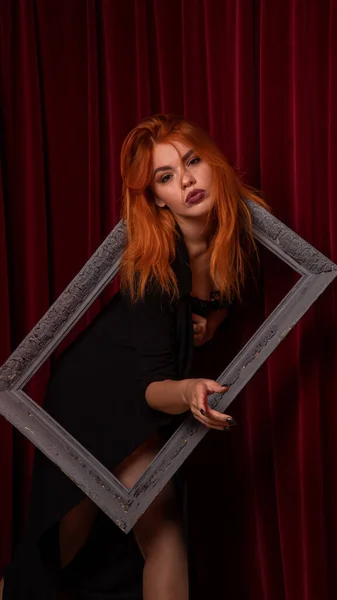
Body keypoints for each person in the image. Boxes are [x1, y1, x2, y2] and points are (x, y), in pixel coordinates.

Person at [1, 113, 267, 599]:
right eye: (166, 177)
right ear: (157, 199)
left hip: (149, 391)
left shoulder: (239, 238)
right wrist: (189, 390)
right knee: (69, 534)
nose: (185, 180)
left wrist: (212, 320)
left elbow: (230, 296)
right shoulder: (154, 267)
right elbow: (150, 387)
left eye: (192, 161)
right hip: (97, 392)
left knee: (160, 527)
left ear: (214, 162)